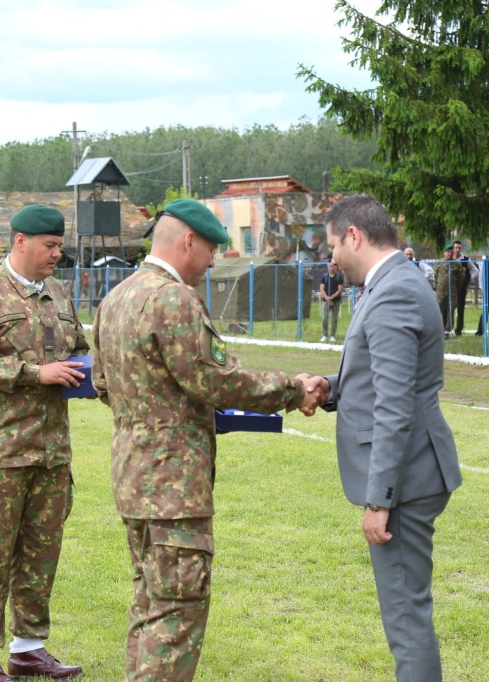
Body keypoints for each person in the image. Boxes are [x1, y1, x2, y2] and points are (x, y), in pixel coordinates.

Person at [91, 198, 317, 682]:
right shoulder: (173, 299)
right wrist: (294, 389)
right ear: (188, 241)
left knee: (151, 605)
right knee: (176, 616)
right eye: (211, 248)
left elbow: (104, 385)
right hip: (174, 487)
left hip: (134, 478)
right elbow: (217, 382)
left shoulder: (116, 299)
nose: (213, 260)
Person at [304, 194, 462, 682]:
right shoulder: (390, 284)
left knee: (407, 619)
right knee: (407, 611)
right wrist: (332, 387)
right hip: (413, 470)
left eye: (332, 245)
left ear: (354, 235)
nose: (330, 258)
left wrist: (380, 501)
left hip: (406, 478)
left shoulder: (393, 290)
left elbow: (394, 408)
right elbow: (380, 374)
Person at [0, 204, 87, 682]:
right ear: (20, 241)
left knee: (41, 551)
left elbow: (79, 352)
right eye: (49, 246)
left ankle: (29, 647)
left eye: (59, 247)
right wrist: (34, 373)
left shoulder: (59, 293)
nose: (56, 255)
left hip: (51, 450)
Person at [432, 244, 461, 338]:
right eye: (448, 252)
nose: (450, 254)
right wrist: (438, 286)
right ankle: (437, 329)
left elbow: (460, 278)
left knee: (450, 310)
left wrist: (456, 287)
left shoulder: (457, 264)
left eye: (451, 252)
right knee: (439, 310)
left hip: (452, 291)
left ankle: (447, 331)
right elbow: (435, 275)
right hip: (441, 291)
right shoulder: (440, 263)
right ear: (444, 253)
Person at [319, 260, 345, 342]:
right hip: (325, 301)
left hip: (336, 301)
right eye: (330, 266)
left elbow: (340, 290)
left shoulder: (339, 277)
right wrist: (327, 298)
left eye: (333, 266)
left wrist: (332, 297)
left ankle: (332, 335)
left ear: (336, 267)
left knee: (334, 319)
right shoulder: (324, 277)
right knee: (324, 318)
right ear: (328, 267)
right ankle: (325, 335)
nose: (331, 267)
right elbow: (322, 289)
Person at [452, 240, 471, 336]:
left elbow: (474, 271)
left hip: (461, 289)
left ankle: (458, 330)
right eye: (456, 247)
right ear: (453, 248)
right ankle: (447, 329)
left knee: (460, 309)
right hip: (450, 288)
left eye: (459, 248)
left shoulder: (465, 259)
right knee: (449, 308)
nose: (458, 249)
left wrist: (467, 282)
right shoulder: (449, 259)